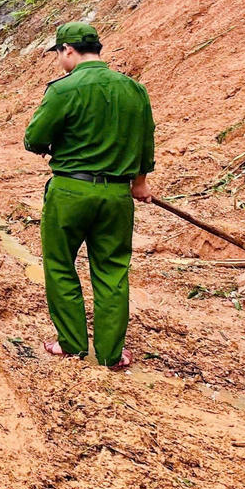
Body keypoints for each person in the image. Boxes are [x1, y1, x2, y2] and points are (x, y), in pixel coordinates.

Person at [23, 22, 155, 371]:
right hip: (117, 195)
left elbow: (34, 139)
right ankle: (112, 354)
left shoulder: (63, 89)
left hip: (71, 191)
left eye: (59, 54)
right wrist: (139, 183)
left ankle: (71, 344)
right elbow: (146, 142)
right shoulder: (134, 90)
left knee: (60, 264)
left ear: (68, 50)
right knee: (112, 271)